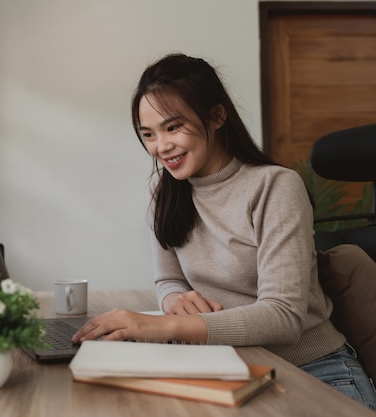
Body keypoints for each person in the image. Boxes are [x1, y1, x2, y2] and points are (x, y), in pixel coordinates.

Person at [71, 53, 376, 409]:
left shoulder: (275, 187)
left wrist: (159, 326)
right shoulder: (166, 191)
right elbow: (167, 279)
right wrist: (174, 299)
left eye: (173, 127)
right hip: (230, 365)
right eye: (149, 135)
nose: (161, 147)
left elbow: (284, 315)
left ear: (217, 116)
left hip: (314, 371)